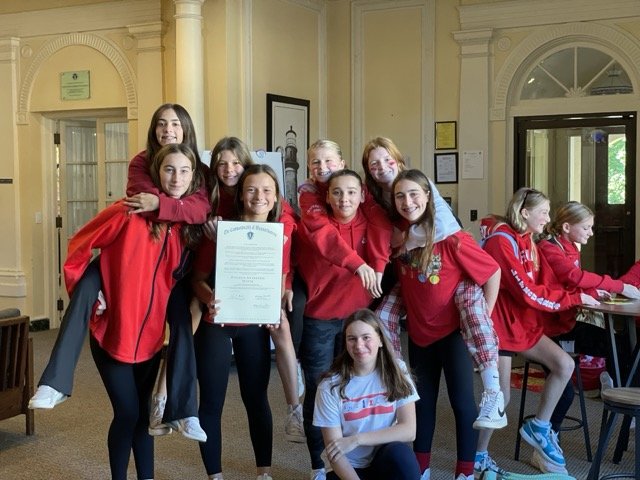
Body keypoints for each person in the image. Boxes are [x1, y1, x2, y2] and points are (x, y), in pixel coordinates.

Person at [29, 104, 210, 440]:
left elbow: (199, 208)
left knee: (183, 322)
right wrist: (169, 207)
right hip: (127, 256)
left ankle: (184, 411)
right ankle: (54, 383)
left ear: (187, 129)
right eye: (160, 123)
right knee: (85, 288)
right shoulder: (143, 162)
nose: (167, 129)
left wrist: (163, 205)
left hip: (168, 271)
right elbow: (143, 198)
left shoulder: (199, 171)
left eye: (175, 124)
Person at [65, 143, 202, 480]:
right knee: (126, 413)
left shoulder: (187, 227)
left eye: (184, 171)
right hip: (113, 335)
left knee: (143, 417)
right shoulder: (128, 211)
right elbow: (79, 246)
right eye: (169, 169)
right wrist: (88, 295)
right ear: (157, 172)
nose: (176, 177)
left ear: (192, 176)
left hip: (152, 341)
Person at [361, 137, 506, 432]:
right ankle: (397, 374)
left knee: (471, 308)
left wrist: (482, 316)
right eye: (374, 164)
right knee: (383, 317)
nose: (382, 168)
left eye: (388, 160)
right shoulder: (375, 200)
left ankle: (493, 389)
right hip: (412, 276)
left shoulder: (431, 208)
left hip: (449, 274)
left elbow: (476, 260)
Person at [476, 188, 600, 478]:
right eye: (543, 212)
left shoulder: (528, 240)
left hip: (521, 325)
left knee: (564, 364)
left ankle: (540, 426)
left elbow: (549, 285)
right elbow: (526, 293)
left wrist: (584, 294)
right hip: (500, 328)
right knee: (500, 397)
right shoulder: (501, 242)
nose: (548, 217)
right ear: (524, 213)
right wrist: (574, 299)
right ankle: (478, 456)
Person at [390, 169, 501, 480]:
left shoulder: (453, 238)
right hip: (419, 335)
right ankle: (421, 469)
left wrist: (483, 320)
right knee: (421, 404)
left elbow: (492, 273)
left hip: (453, 335)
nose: (407, 201)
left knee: (462, 404)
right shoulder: (404, 241)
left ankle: (465, 472)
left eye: (414, 194)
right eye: (400, 196)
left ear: (429, 196)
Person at [191, 163, 293, 480]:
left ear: (276, 197)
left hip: (254, 325)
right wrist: (209, 297)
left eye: (266, 190)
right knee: (211, 401)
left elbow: (282, 276)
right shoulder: (221, 231)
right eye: (251, 189)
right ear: (241, 195)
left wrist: (277, 298)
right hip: (216, 324)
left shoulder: (281, 236)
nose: (258, 196)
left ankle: (264, 471)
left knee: (256, 397)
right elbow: (197, 279)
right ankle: (215, 475)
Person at [533, 201, 640, 473]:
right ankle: (544, 443)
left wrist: (595, 293)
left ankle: (619, 396)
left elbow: (572, 284)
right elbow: (573, 276)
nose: (591, 232)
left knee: (620, 344)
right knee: (566, 393)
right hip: (547, 331)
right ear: (567, 227)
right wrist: (619, 286)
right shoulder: (549, 248)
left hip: (567, 325)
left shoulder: (570, 248)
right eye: (587, 227)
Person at [298, 169, 390, 480]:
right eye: (337, 192)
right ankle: (318, 466)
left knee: (356, 388)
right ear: (327, 195)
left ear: (362, 194)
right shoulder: (317, 222)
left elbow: (383, 240)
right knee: (319, 392)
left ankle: (353, 458)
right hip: (319, 319)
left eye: (351, 192)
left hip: (357, 320)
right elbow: (327, 245)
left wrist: (376, 267)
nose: (344, 199)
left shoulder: (372, 219)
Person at [314, 309, 420, 480]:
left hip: (383, 458)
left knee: (402, 455)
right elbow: (335, 454)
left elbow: (409, 430)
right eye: (352, 339)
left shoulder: (397, 371)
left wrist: (356, 439)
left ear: (380, 340)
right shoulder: (329, 387)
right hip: (348, 469)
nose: (359, 345)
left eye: (366, 337)